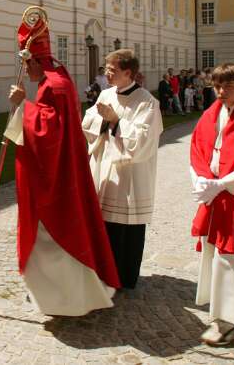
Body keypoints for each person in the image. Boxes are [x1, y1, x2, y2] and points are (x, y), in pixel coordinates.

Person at [5, 7, 119, 315]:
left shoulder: (53, 85)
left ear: (37, 61)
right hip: (63, 169)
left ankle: (66, 299)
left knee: (52, 236)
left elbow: (48, 132)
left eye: (27, 64)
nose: (25, 70)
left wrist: (20, 108)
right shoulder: (57, 79)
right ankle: (53, 294)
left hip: (54, 178)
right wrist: (25, 110)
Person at [189, 63, 234, 347]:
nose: (220, 91)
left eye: (228, 86)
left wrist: (223, 184)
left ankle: (231, 321)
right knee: (214, 256)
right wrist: (201, 181)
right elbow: (196, 149)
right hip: (214, 195)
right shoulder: (211, 114)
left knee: (231, 260)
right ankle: (218, 312)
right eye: (216, 85)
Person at [82, 49, 163, 289]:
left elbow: (144, 140)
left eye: (112, 70)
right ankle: (103, 272)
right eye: (106, 68)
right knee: (103, 225)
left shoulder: (147, 101)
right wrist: (104, 119)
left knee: (126, 228)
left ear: (128, 73)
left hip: (129, 175)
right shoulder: (105, 94)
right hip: (104, 168)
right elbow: (87, 123)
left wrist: (116, 120)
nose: (107, 73)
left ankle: (125, 276)